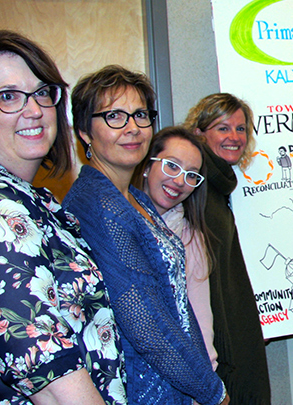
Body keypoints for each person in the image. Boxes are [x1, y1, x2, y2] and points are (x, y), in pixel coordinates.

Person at [0, 30, 126, 404]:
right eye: (7, 96)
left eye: (41, 92)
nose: (34, 110)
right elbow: (51, 381)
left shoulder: (34, 199)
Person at [62, 66, 227, 405]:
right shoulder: (97, 206)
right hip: (144, 390)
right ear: (84, 131)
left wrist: (203, 380)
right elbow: (146, 325)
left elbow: (176, 303)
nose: (133, 128)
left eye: (140, 115)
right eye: (114, 117)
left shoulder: (134, 198)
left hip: (177, 383)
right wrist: (212, 392)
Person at [184, 93, 271, 404]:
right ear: (198, 132)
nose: (234, 137)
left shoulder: (218, 184)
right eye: (222, 128)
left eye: (240, 128)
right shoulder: (194, 187)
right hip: (218, 350)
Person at [136, 126, 218, 372]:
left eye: (192, 175)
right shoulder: (117, 221)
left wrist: (209, 378)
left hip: (176, 373)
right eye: (171, 166)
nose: (180, 181)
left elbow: (201, 318)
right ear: (147, 166)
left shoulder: (191, 238)